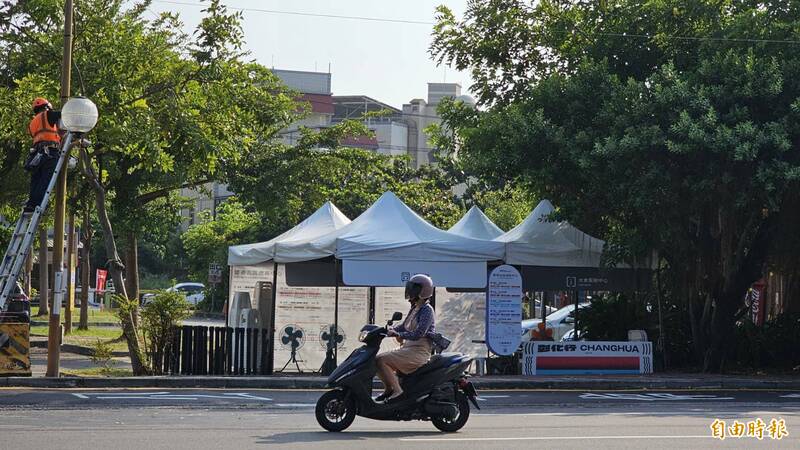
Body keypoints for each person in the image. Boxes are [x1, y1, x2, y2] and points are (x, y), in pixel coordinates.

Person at [375, 274, 436, 403]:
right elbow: (403, 326)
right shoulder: (415, 308)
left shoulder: (427, 310)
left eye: (414, 289)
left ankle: (397, 391)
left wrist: (399, 335)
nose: (410, 292)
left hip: (419, 352)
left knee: (381, 360)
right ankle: (389, 390)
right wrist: (387, 330)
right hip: (408, 348)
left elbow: (419, 333)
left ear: (423, 291)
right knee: (376, 360)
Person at [24, 97, 62, 213]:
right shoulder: (48, 115)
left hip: (36, 154)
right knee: (46, 179)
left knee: (36, 180)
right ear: (47, 107)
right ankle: (39, 204)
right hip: (49, 152)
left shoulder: (32, 122)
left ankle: (31, 205)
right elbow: (64, 114)